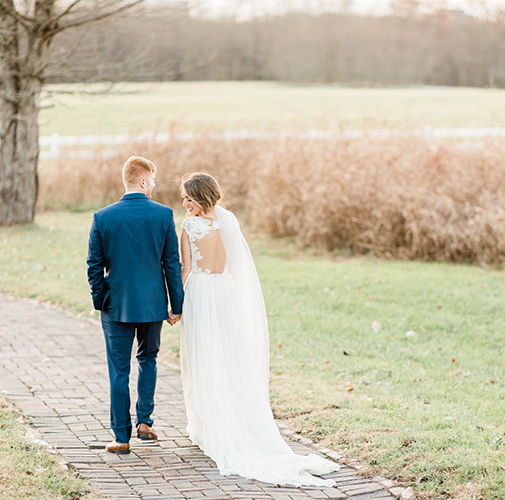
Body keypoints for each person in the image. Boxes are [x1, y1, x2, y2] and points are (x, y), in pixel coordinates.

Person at [178, 172, 339, 486]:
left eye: (188, 198)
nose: (184, 204)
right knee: (230, 357)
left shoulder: (188, 226)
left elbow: (185, 268)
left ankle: (209, 428)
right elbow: (236, 265)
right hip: (226, 293)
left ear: (200, 198)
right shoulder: (229, 222)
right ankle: (230, 422)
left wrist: (176, 306)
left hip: (199, 292)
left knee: (203, 356)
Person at [87, 156, 184, 454]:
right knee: (149, 359)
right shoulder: (163, 215)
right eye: (153, 180)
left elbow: (94, 266)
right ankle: (145, 421)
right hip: (153, 305)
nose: (155, 184)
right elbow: (171, 264)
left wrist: (102, 300)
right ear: (143, 181)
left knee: (119, 370)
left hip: (116, 306)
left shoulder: (103, 217)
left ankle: (121, 437)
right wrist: (176, 304)